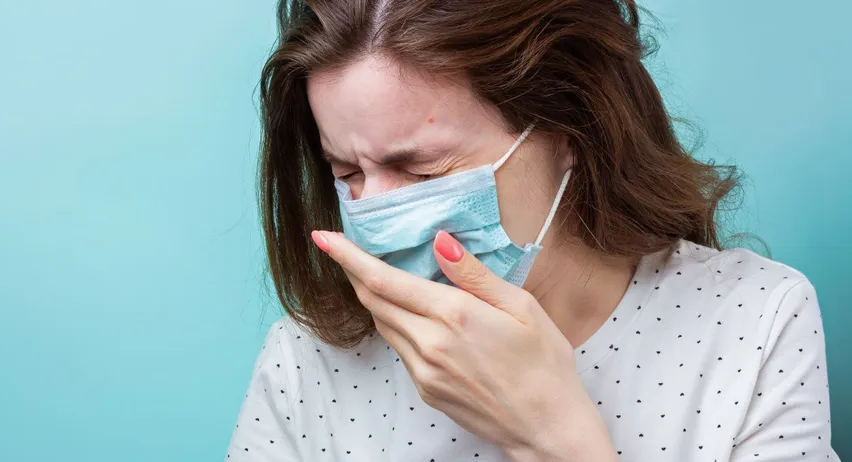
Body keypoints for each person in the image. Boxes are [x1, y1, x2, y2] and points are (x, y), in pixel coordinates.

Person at [227, 0, 838, 460]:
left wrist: (552, 436)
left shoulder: (753, 322)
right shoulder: (305, 362)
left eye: (422, 169)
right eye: (348, 173)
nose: (378, 218)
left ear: (572, 129)